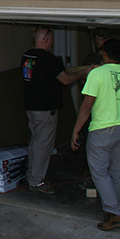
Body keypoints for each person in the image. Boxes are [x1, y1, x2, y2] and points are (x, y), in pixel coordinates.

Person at [72, 38, 120, 231]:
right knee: (117, 171)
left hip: (102, 130)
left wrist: (76, 130)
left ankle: (115, 213)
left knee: (99, 171)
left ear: (104, 53)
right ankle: (112, 211)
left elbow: (86, 107)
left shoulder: (97, 73)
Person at [20, 27, 88, 193]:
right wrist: (83, 72)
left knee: (35, 143)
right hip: (45, 110)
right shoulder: (49, 59)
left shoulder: (27, 56)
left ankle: (32, 176)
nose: (53, 43)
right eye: (52, 40)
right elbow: (65, 80)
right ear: (47, 40)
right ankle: (37, 181)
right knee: (43, 146)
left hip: (32, 108)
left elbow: (40, 75)